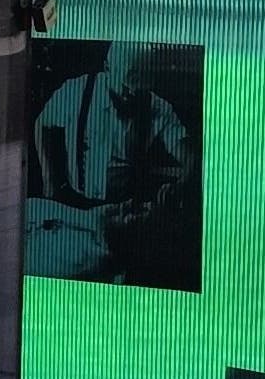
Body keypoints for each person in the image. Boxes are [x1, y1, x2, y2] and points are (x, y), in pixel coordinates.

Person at [29, 43, 199, 287]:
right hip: (73, 201)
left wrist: (181, 185)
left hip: (120, 213)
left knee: (105, 272)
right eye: (126, 88)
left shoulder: (155, 107)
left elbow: (189, 154)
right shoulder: (77, 90)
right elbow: (43, 125)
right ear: (107, 69)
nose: (132, 96)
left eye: (139, 91)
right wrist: (52, 182)